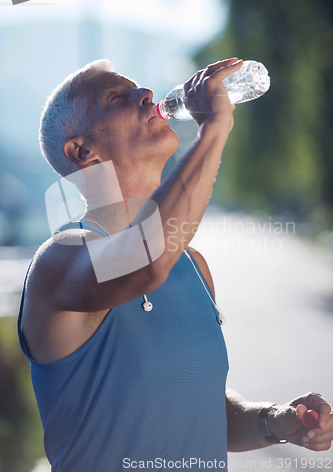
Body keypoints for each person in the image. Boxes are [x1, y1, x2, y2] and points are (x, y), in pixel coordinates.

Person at [18, 58, 332, 472]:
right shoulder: (60, 260)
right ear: (82, 151)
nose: (145, 94)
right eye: (117, 97)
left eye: (138, 88)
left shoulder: (192, 265)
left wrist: (276, 421)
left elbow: (202, 408)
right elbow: (146, 260)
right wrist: (214, 128)